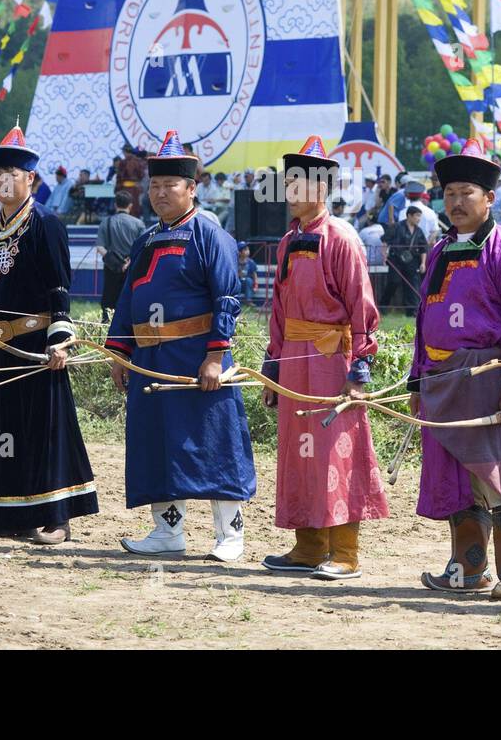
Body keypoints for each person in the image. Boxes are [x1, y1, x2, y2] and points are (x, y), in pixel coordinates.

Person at [105, 131, 256, 561]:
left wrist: (214, 356)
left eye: (169, 185)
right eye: (154, 185)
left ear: (191, 189)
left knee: (213, 442)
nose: (159, 193)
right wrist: (120, 351)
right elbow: (127, 299)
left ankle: (231, 535)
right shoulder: (145, 239)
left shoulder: (211, 235)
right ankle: (167, 533)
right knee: (157, 442)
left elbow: (227, 297)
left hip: (197, 356)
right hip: (151, 359)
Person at [407, 140, 501, 601]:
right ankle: (470, 569)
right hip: (441, 382)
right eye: (449, 194)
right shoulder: (440, 248)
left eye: (467, 192)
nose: (456, 202)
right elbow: (424, 317)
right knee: (454, 477)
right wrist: (416, 380)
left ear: (489, 198)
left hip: (488, 379)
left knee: (500, 475)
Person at [0, 125, 98, 544]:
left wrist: (60, 340)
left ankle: (57, 518)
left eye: (12, 175)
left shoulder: (46, 224)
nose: (3, 182)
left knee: (44, 428)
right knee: (2, 430)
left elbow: (60, 288)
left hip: (36, 345)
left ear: (30, 179)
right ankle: (6, 515)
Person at [260, 137, 389, 580]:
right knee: (300, 454)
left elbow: (362, 307)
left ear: (322, 189)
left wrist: (361, 369)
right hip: (294, 362)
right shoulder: (286, 242)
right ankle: (307, 546)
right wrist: (271, 365)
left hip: (333, 362)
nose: (291, 190)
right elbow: (277, 309)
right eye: (288, 182)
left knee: (337, 453)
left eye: (300, 183)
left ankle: (345, 552)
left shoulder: (343, 238)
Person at [95, 191, 145, 324]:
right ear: (130, 205)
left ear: (115, 204)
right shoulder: (139, 224)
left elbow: (100, 248)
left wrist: (115, 263)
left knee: (108, 302)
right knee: (130, 300)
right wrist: (127, 262)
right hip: (132, 268)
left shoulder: (106, 222)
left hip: (111, 268)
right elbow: (143, 249)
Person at [380, 206, 427, 316]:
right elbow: (385, 241)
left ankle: (412, 311)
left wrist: (423, 263)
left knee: (412, 285)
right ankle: (383, 306)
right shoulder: (397, 226)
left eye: (420, 216)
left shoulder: (419, 231)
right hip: (396, 259)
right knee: (393, 281)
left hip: (411, 261)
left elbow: (423, 249)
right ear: (409, 216)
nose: (419, 219)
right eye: (417, 216)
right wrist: (384, 255)